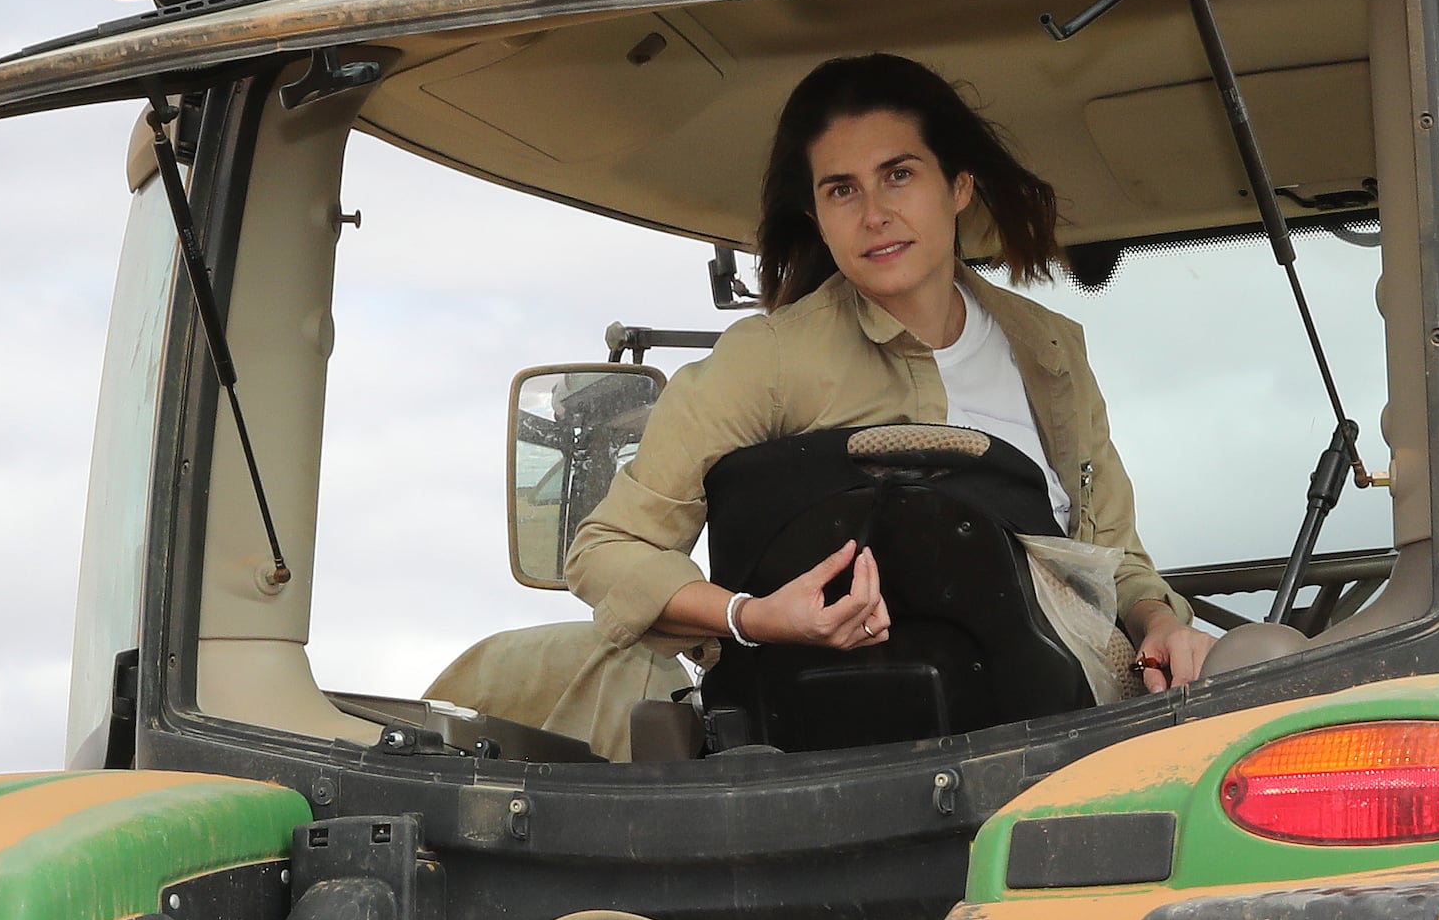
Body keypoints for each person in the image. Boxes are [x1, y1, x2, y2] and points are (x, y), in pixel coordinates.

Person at [443, 54, 1217, 753]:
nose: (873, 213)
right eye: (841, 189)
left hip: (1067, 736)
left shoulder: (1049, 354)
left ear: (959, 186)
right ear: (817, 214)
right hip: (844, 757)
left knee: (1267, 662)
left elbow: (1119, 564)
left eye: (900, 175)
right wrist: (754, 616)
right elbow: (607, 549)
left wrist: (1161, 629)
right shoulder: (769, 360)